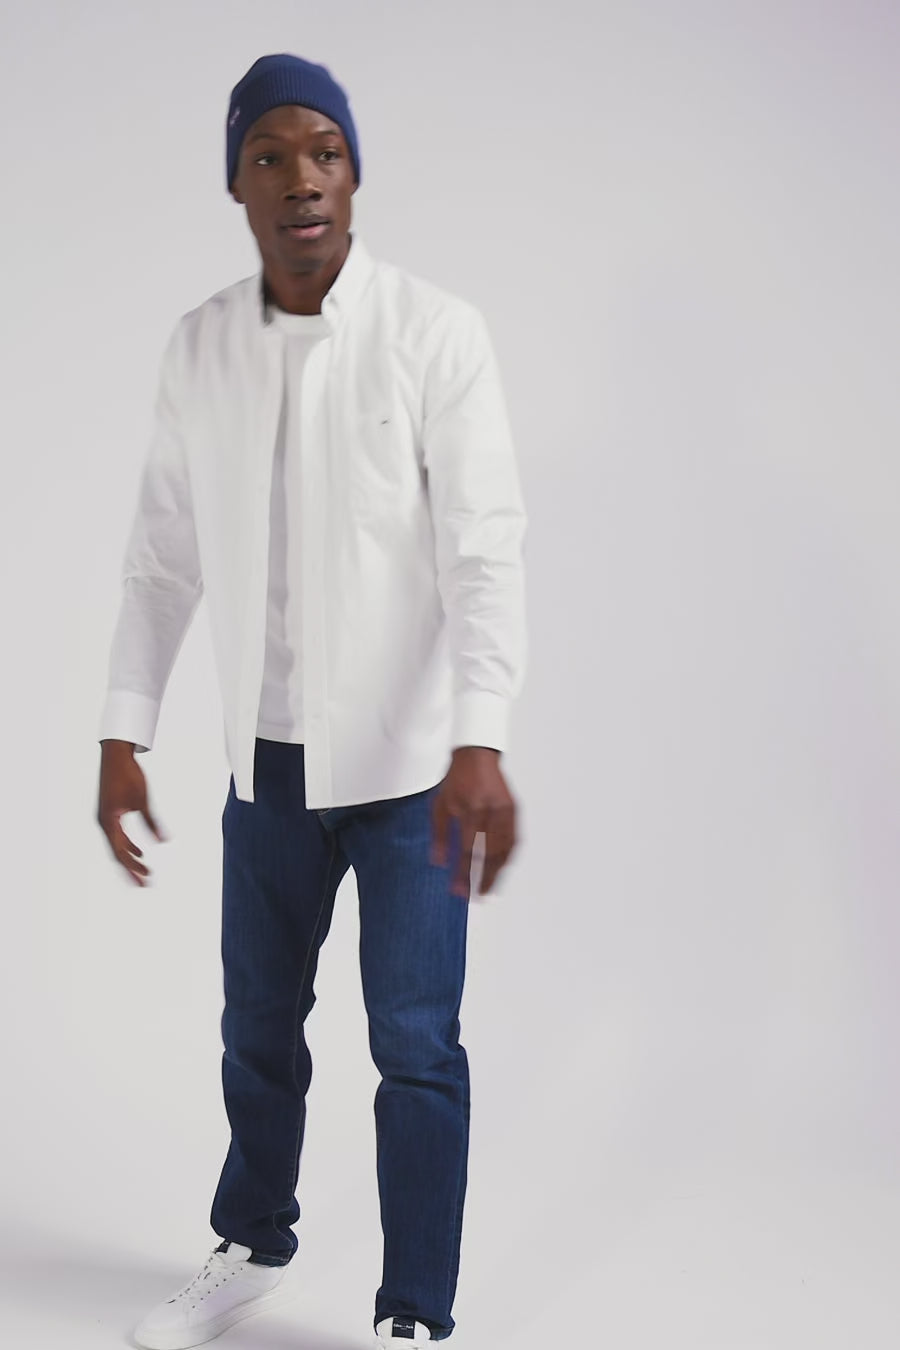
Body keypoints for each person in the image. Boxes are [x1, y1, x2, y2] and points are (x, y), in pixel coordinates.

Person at [96, 52, 527, 1350]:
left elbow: (484, 551)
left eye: (324, 152)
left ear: (355, 174)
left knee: (416, 1043)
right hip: (266, 771)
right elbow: (162, 556)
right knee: (257, 1031)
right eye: (271, 155)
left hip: (411, 778)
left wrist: (480, 738)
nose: (301, 179)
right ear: (235, 181)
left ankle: (415, 1312)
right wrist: (124, 729)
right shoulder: (202, 347)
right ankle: (250, 1245)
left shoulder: (435, 334)